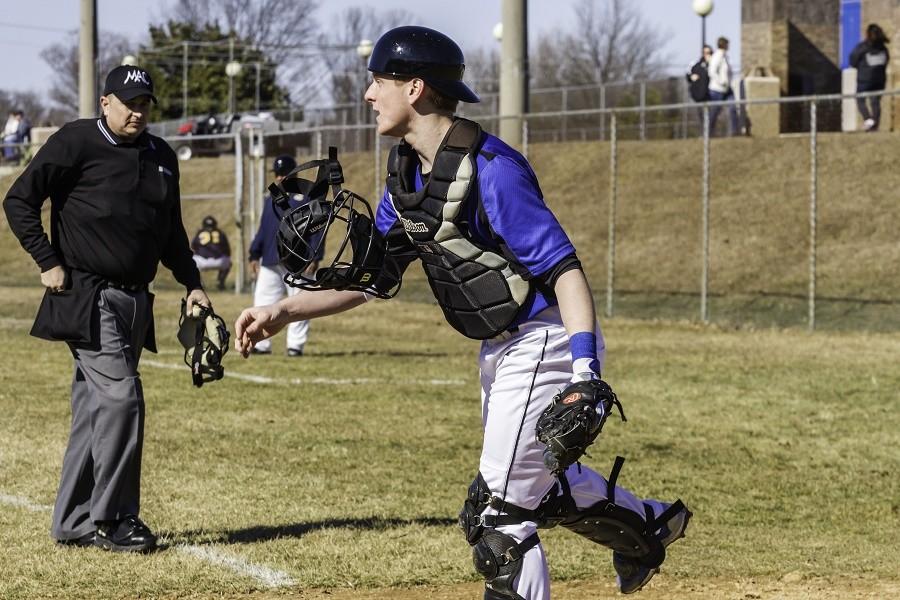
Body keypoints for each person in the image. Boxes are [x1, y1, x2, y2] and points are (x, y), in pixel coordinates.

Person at [234, 26, 690, 599]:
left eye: (379, 81)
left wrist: (584, 372)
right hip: (498, 348)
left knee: (498, 518)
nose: (369, 95)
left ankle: (640, 532)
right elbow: (374, 278)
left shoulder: (492, 169)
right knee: (540, 489)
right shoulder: (405, 180)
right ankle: (647, 527)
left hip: (542, 339)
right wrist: (285, 309)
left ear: (416, 88)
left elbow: (564, 270)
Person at [3, 64, 211, 553]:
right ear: (105, 102)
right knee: (122, 399)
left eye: (144, 104)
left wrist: (193, 283)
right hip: (88, 295)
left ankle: (73, 520)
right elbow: (19, 201)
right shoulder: (76, 141)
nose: (137, 111)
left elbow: (171, 231)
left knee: (95, 410)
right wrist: (47, 260)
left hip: (137, 300)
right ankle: (116, 520)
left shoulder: (161, 155)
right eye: (129, 102)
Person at [247, 154, 320, 356]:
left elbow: (317, 227)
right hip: (270, 259)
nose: (279, 178)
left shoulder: (307, 196)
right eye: (277, 174)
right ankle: (261, 344)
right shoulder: (270, 198)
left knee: (300, 304)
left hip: (299, 259)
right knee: (263, 300)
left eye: (283, 174)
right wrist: (254, 253)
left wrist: (315, 256)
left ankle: (295, 345)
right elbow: (264, 229)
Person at [850, 23, 890, 131]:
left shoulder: (863, 47)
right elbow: (886, 61)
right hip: (879, 80)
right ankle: (874, 125)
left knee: (860, 100)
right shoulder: (883, 48)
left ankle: (868, 120)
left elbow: (853, 60)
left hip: (864, 80)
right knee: (875, 102)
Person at [707, 36, 740, 135]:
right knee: (714, 112)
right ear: (724, 45)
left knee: (733, 108)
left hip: (727, 89)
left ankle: (735, 131)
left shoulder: (725, 57)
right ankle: (708, 132)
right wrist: (721, 81)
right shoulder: (717, 56)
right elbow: (712, 72)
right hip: (717, 89)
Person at [191, 215, 232, 290]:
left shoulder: (200, 232)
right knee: (228, 261)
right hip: (219, 262)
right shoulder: (220, 233)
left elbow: (193, 246)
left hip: (202, 262)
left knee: (191, 260)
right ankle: (220, 280)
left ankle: (198, 283)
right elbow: (227, 249)